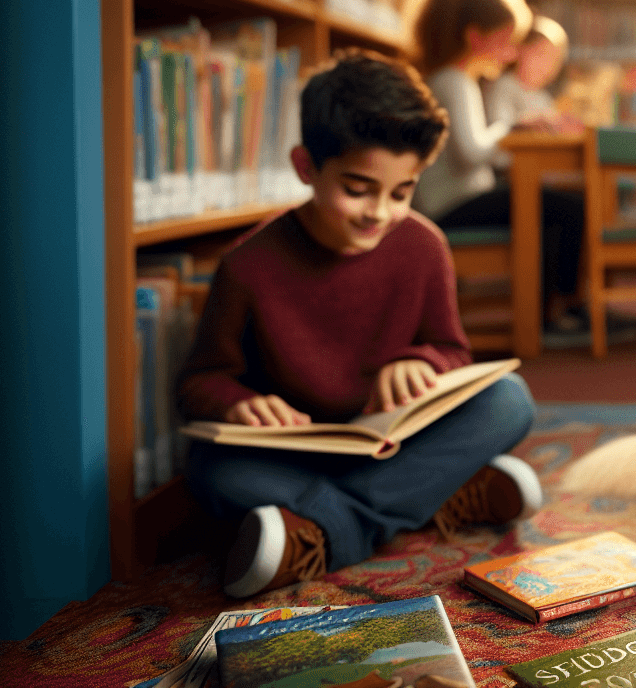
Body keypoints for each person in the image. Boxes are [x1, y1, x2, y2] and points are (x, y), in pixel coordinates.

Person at [179, 49, 542, 598]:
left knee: (511, 399)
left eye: (402, 192)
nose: (380, 212)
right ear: (306, 168)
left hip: (395, 435)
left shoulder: (423, 245)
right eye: (357, 189)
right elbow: (200, 381)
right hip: (295, 445)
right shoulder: (247, 266)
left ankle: (322, 528)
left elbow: (451, 350)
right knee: (212, 471)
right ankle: (437, 497)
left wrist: (420, 363)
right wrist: (236, 403)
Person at [409, 0, 589, 341]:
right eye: (506, 41)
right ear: (476, 37)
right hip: (451, 205)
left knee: (550, 207)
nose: (510, 53)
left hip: (458, 199)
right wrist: (511, 129)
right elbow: (469, 155)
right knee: (564, 208)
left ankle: (553, 312)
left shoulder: (455, 80)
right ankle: (561, 311)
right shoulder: (454, 81)